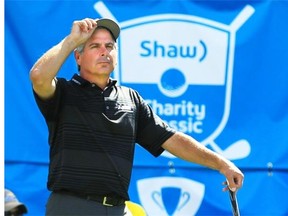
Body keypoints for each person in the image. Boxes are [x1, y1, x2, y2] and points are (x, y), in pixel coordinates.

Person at [29, 18, 244, 215]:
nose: (104, 51)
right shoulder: (64, 92)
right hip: (71, 207)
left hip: (117, 209)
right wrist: (72, 40)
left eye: (110, 46)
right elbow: (38, 76)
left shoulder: (131, 99)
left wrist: (222, 163)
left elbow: (172, 139)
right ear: (78, 56)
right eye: (94, 46)